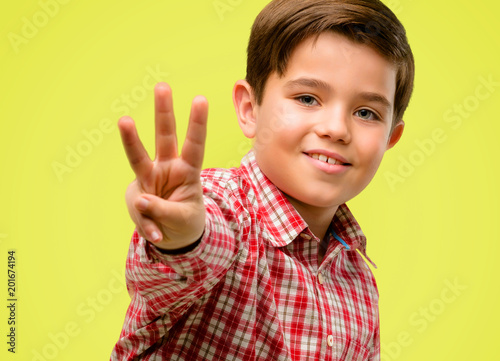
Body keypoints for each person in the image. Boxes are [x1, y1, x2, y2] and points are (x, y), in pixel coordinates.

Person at [110, 0, 414, 359]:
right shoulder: (221, 208)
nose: (335, 129)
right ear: (249, 109)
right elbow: (187, 260)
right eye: (307, 98)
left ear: (390, 139)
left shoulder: (359, 283)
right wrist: (181, 240)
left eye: (366, 112)